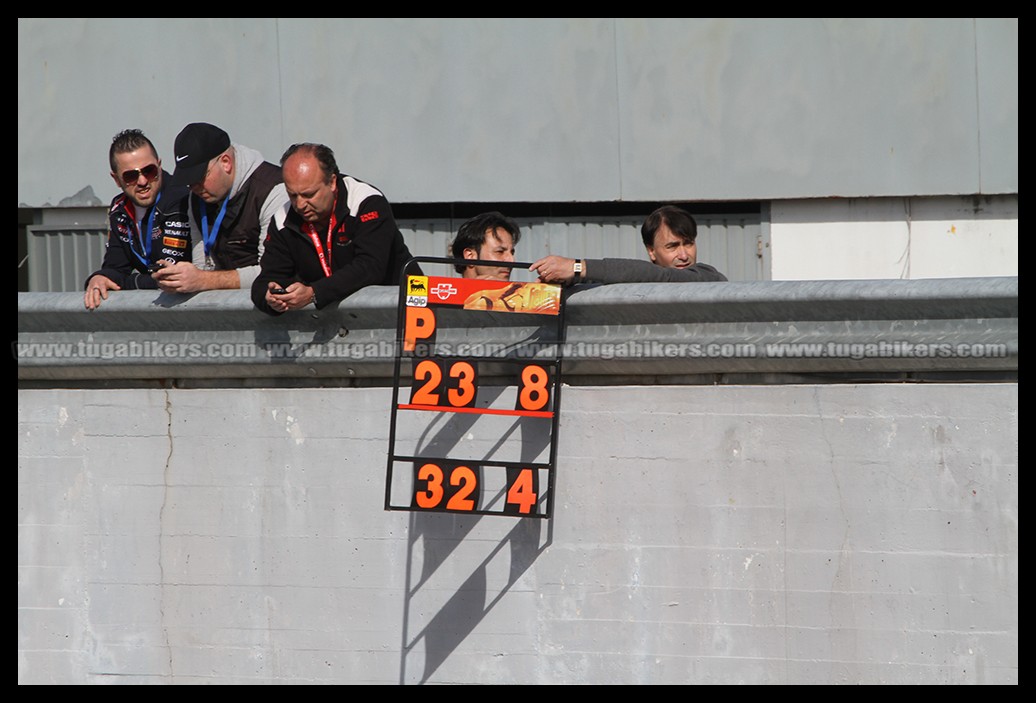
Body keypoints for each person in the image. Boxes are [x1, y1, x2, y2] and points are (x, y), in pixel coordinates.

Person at [251, 143, 417, 314]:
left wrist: (314, 293)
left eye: (309, 195)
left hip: (404, 311)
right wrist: (271, 298)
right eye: (292, 195)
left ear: (332, 182)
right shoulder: (282, 218)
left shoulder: (366, 201)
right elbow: (266, 279)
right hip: (337, 322)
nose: (300, 205)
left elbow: (370, 267)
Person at [154, 122, 288, 294]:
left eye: (199, 177)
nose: (194, 187)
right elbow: (202, 267)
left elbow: (271, 273)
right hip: (232, 312)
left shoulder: (273, 190)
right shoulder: (195, 199)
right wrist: (178, 279)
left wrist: (203, 280)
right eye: (188, 181)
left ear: (226, 162)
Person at [84, 129, 192, 310]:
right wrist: (99, 278)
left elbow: (167, 276)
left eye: (149, 171)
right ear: (116, 179)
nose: (142, 181)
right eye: (131, 176)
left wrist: (126, 282)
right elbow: (115, 268)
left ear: (159, 165)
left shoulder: (180, 198)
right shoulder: (119, 209)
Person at [530, 205, 728, 284]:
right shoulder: (637, 286)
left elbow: (662, 276)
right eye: (673, 246)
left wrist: (576, 267)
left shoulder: (708, 277)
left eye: (689, 243)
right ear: (651, 251)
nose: (684, 255)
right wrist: (565, 281)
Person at [450, 211, 520, 281]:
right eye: (500, 252)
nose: (511, 260)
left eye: (512, 252)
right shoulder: (443, 290)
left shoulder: (523, 291)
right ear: (470, 256)